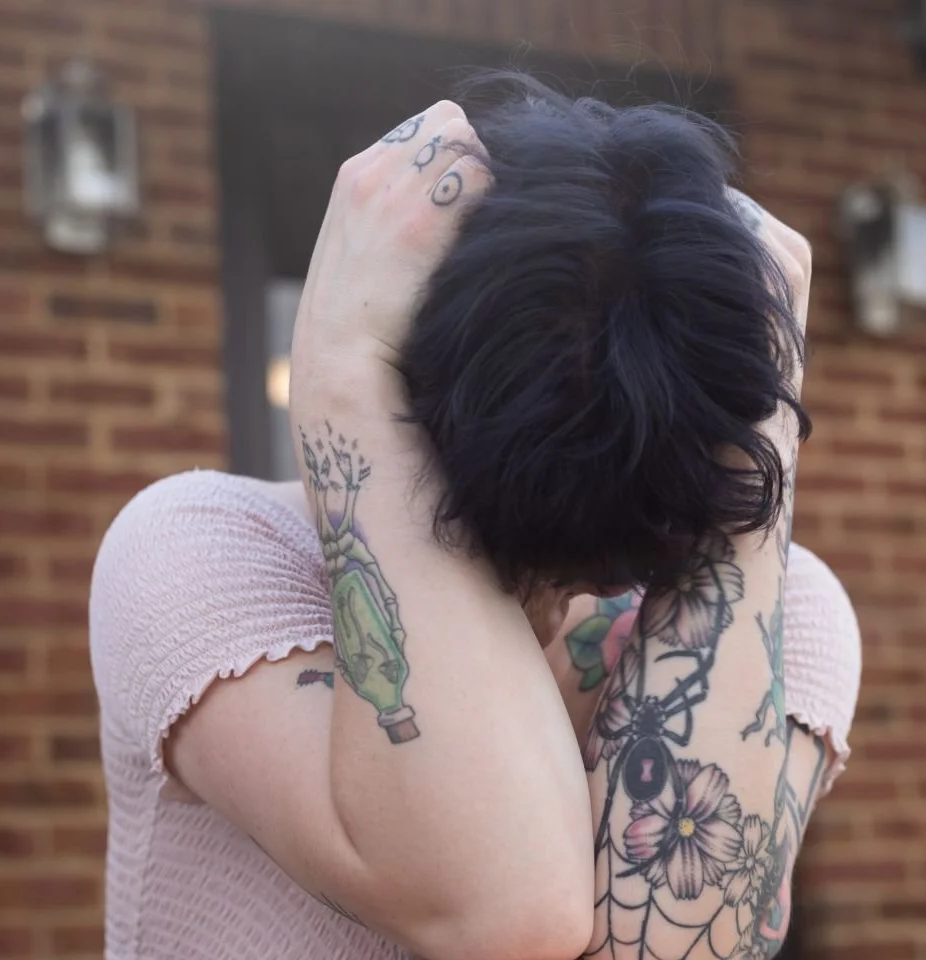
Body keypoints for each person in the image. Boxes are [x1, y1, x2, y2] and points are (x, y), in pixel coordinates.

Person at [90, 76, 860, 960]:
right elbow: (506, 909)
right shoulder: (201, 551)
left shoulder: (790, 611)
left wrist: (758, 455)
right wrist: (345, 380)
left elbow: (675, 949)